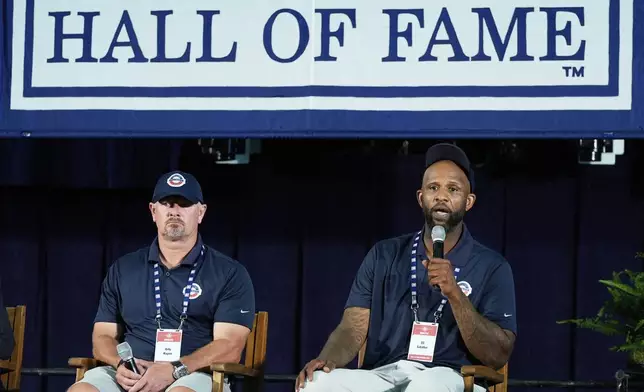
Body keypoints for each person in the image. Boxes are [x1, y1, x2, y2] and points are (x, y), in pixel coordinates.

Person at [296, 143, 517, 392]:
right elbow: (352, 327)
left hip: (453, 378)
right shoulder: (383, 254)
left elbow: (499, 354)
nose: (441, 196)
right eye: (433, 187)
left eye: (453, 189)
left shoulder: (493, 267)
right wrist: (327, 361)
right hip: (385, 373)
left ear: (469, 201)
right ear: (421, 197)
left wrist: (455, 294)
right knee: (316, 384)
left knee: (425, 386)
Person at [69, 171, 255, 392]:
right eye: (167, 204)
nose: (174, 211)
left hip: (194, 374)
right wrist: (120, 364)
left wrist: (175, 369)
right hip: (131, 374)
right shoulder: (123, 269)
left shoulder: (230, 273)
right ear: (153, 211)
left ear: (200, 212)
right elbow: (103, 335)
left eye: (184, 204)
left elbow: (230, 346)